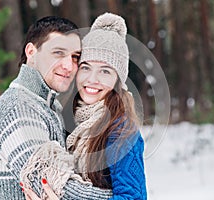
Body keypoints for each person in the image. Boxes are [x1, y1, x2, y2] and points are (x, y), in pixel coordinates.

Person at [0, 16, 113, 199]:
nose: (69, 66)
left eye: (75, 57)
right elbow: (59, 188)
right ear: (31, 51)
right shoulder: (16, 109)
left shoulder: (47, 106)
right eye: (58, 53)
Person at [21, 13, 147, 200]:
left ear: (117, 81)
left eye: (105, 71)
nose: (92, 79)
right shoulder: (65, 117)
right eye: (86, 67)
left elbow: (133, 197)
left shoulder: (121, 131)